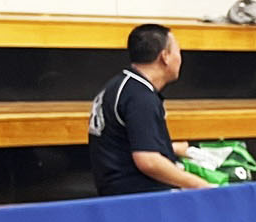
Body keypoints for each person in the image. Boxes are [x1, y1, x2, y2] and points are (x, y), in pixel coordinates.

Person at [88, 24, 213, 195]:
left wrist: (171, 148)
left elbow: (125, 143)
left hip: (115, 190)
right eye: (178, 51)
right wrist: (200, 186)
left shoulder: (120, 85)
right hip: (137, 196)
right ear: (165, 57)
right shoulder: (140, 98)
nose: (180, 58)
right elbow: (148, 161)